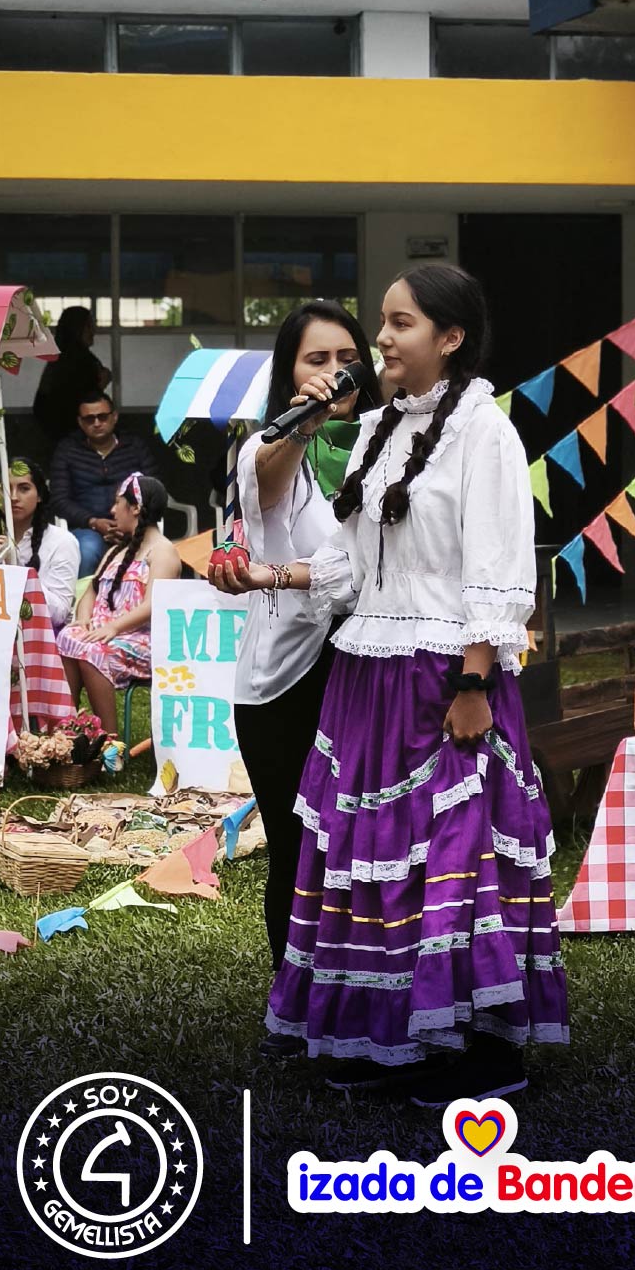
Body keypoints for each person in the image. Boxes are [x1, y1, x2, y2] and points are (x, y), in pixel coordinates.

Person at [211, 263, 568, 1106]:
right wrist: (268, 573)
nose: (379, 338)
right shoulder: (377, 429)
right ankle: (395, 1038)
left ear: (450, 336)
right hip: (367, 679)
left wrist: (473, 682)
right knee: (376, 864)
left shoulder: (484, 432)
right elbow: (349, 565)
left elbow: (497, 571)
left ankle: (481, 1047)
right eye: (382, 320)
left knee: (456, 860)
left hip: (443, 678)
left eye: (399, 323)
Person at [234, 302, 382, 1029]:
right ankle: (293, 1005)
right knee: (295, 845)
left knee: (359, 843)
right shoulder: (270, 444)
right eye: (315, 359)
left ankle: (357, 995)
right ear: (289, 373)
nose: (334, 372)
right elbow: (266, 482)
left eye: (346, 359)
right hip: (281, 683)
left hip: (364, 671)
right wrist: (304, 423)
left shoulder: (385, 444)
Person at [57, 473, 179, 736]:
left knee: (93, 650)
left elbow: (153, 604)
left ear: (135, 508)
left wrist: (113, 627)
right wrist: (84, 618)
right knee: (67, 637)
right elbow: (91, 589)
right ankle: (67, 732)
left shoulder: (162, 551)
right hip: (107, 632)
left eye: (117, 503)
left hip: (142, 638)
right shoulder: (117, 550)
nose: (112, 510)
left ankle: (109, 742)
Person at [50, 391, 163, 579]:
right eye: (89, 419)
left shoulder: (135, 446)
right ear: (80, 422)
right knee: (87, 551)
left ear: (114, 417)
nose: (96, 423)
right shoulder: (68, 450)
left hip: (134, 525)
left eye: (102, 417)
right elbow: (59, 500)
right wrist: (93, 522)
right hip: (87, 528)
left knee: (155, 553)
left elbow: (153, 490)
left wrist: (128, 524)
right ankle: (84, 598)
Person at [0, 459, 80, 629]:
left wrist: (16, 569)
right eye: (6, 489)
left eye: (24, 489)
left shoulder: (62, 542)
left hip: (42, 635)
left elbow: (59, 614)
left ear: (39, 495)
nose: (14, 497)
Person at [32, 306, 111, 449]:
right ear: (76, 329)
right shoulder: (78, 361)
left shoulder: (59, 360)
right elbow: (78, 399)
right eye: (88, 326)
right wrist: (99, 385)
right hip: (73, 438)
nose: (93, 332)